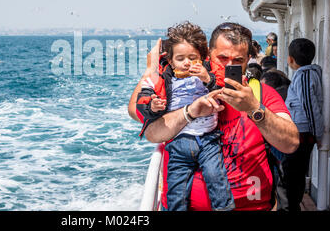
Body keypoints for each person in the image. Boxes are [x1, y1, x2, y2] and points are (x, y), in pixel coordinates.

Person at [128, 22, 299, 211]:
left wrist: (253, 108)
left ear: (249, 59)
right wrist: (153, 70)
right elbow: (140, 117)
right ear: (208, 55)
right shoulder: (181, 90)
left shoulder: (261, 93)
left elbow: (290, 143)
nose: (229, 66)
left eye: (238, 60)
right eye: (223, 58)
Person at [136, 22, 234, 211]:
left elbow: (224, 89)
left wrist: (208, 78)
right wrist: (153, 106)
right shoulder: (162, 79)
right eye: (180, 58)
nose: (187, 63)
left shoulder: (209, 73)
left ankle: (225, 208)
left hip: (208, 140)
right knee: (176, 189)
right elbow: (143, 101)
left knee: (217, 178)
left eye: (192, 57)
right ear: (171, 61)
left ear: (203, 58)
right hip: (179, 142)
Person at [276, 38, 324, 211]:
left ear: (290, 59)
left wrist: (318, 135)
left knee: (288, 175)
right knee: (293, 174)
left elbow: (310, 107)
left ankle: (288, 208)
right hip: (303, 133)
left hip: (302, 133)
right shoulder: (307, 73)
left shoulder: (304, 75)